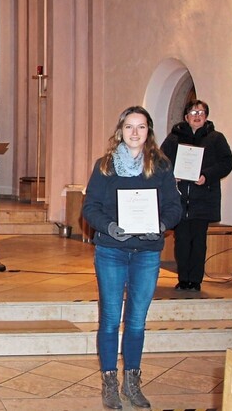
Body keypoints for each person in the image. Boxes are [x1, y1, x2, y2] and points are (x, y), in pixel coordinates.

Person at [82, 106, 182, 410]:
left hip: (147, 254)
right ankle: (110, 381)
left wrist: (162, 226)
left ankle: (132, 381)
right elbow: (89, 208)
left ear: (148, 132)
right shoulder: (104, 167)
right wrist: (110, 226)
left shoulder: (161, 168)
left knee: (137, 321)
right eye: (129, 127)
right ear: (120, 131)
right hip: (111, 250)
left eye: (141, 127)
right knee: (111, 319)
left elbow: (174, 207)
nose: (135, 133)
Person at [160, 100, 232, 292]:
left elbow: (227, 162)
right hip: (180, 198)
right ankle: (183, 278)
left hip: (203, 198)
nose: (197, 115)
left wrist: (207, 176)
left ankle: (196, 280)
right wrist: (171, 176)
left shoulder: (216, 138)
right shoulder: (173, 139)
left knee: (199, 241)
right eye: (193, 112)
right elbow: (161, 161)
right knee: (182, 240)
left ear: (206, 116)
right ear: (186, 116)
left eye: (201, 112)